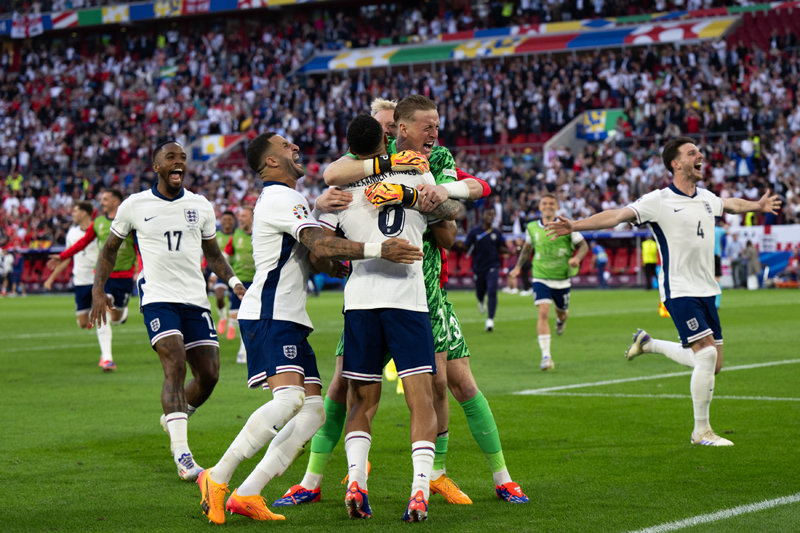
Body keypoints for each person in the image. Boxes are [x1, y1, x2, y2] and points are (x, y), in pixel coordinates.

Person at [197, 132, 422, 525]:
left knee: (314, 412)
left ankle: (248, 493)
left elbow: (311, 253)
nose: (295, 148)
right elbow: (318, 244)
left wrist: (328, 260)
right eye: (285, 147)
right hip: (269, 315)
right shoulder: (281, 199)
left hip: (290, 317)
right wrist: (376, 249)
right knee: (288, 403)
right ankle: (216, 477)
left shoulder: (292, 198)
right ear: (269, 162)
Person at [320, 94, 527, 505]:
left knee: (447, 382)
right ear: (394, 129)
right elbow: (332, 179)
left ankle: (468, 476)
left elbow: (467, 201)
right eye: (382, 128)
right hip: (403, 295)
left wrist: (425, 196)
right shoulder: (369, 164)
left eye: (436, 125)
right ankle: (323, 481)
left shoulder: (421, 162)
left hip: (414, 289)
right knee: (353, 387)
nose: (433, 133)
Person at [548, 137, 781, 446]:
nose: (700, 155)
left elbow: (732, 205)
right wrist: (576, 225)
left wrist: (758, 205)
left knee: (714, 363)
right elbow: (617, 215)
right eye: (692, 152)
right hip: (679, 289)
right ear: (676, 163)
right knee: (707, 354)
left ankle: (649, 344)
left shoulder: (706, 197)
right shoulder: (657, 200)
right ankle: (701, 431)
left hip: (707, 289)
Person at [89, 141, 245, 480]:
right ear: (156, 165)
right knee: (174, 362)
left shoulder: (200, 205)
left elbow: (214, 255)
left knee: (209, 375)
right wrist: (98, 290)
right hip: (157, 296)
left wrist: (234, 284)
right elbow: (109, 250)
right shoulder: (134, 205)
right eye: (170, 158)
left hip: (195, 298)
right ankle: (183, 454)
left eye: (183, 158)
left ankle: (175, 415)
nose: (179, 163)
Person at [317, 114, 438, 521]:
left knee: (361, 401)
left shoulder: (340, 189)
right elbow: (449, 223)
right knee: (421, 399)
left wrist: (338, 248)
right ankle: (419, 489)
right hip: (408, 298)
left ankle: (355, 481)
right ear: (385, 142)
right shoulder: (417, 176)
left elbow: (322, 247)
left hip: (361, 302)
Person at [49, 189, 136, 372]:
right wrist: (62, 256)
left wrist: (142, 269)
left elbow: (140, 248)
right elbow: (82, 243)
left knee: (117, 317)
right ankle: (107, 358)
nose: (101, 202)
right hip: (103, 276)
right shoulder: (98, 223)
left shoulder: (130, 223)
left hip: (124, 277)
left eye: (105, 199)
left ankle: (122, 313)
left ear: (115, 201)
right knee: (102, 309)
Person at [509, 194, 588, 371]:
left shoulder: (567, 225)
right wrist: (518, 267)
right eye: (544, 203)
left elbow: (583, 246)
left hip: (561, 279)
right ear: (539, 206)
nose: (548, 206)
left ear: (557, 206)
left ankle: (561, 321)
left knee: (562, 314)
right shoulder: (531, 227)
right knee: (543, 312)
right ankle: (546, 356)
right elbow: (527, 248)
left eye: (551, 203)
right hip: (540, 276)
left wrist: (577, 258)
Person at [44, 201, 112, 368]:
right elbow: (66, 257)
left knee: (102, 317)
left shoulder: (99, 229)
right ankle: (93, 318)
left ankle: (107, 358)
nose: (72, 213)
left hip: (98, 279)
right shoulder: (72, 233)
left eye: (75, 211)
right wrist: (51, 278)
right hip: (80, 280)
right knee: (83, 323)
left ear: (85, 213)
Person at [463, 207, 508, 332]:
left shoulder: (497, 233)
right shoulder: (474, 232)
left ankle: (490, 320)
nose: (490, 217)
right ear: (482, 216)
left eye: (492, 215)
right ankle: (481, 300)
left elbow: (500, 248)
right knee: (480, 290)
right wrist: (461, 246)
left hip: (493, 265)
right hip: (479, 266)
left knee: (492, 290)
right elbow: (466, 247)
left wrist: (509, 250)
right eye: (488, 214)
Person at [222, 207, 255, 363]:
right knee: (237, 317)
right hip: (239, 282)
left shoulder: (259, 235)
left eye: (243, 216)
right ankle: (244, 350)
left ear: (251, 218)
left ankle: (244, 351)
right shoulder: (236, 235)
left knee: (252, 317)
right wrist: (218, 274)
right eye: (239, 216)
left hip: (256, 282)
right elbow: (225, 255)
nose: (240, 219)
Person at [209, 211, 236, 339]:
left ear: (234, 222)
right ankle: (223, 317)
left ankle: (231, 324)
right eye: (224, 219)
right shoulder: (216, 235)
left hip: (236, 272)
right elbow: (210, 254)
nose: (227, 222)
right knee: (219, 295)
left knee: (233, 300)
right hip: (220, 272)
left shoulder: (237, 236)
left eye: (230, 219)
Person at [713, 220, 726, 308]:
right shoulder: (718, 229)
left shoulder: (706, 228)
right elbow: (727, 231)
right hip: (716, 255)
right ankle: (717, 303)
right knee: (717, 279)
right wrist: (722, 225)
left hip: (706, 255)